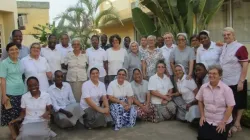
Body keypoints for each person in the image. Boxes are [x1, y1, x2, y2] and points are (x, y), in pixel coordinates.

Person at [220, 27, 249, 133]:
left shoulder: (240, 47)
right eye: (224, 35)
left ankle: (237, 122)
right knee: (229, 102)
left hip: (236, 80)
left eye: (228, 34)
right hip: (225, 80)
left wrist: (241, 81)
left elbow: (245, 64)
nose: (226, 36)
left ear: (233, 35)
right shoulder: (224, 46)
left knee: (239, 102)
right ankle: (231, 121)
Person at [196, 65, 235, 140]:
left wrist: (223, 122)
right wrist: (202, 116)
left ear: (220, 76)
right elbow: (200, 101)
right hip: (207, 119)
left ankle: (228, 130)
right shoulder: (203, 87)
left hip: (221, 120)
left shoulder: (226, 89)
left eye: (214, 73)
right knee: (202, 137)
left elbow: (230, 106)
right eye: (210, 73)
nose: (211, 75)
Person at [0, 43, 26, 128]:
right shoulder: (4, 63)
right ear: (8, 52)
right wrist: (4, 95)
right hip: (10, 94)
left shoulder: (20, 61)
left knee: (20, 113)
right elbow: (2, 80)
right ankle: (13, 135)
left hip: (21, 91)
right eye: (11, 50)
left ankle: (19, 132)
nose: (14, 51)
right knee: (9, 114)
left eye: (16, 49)